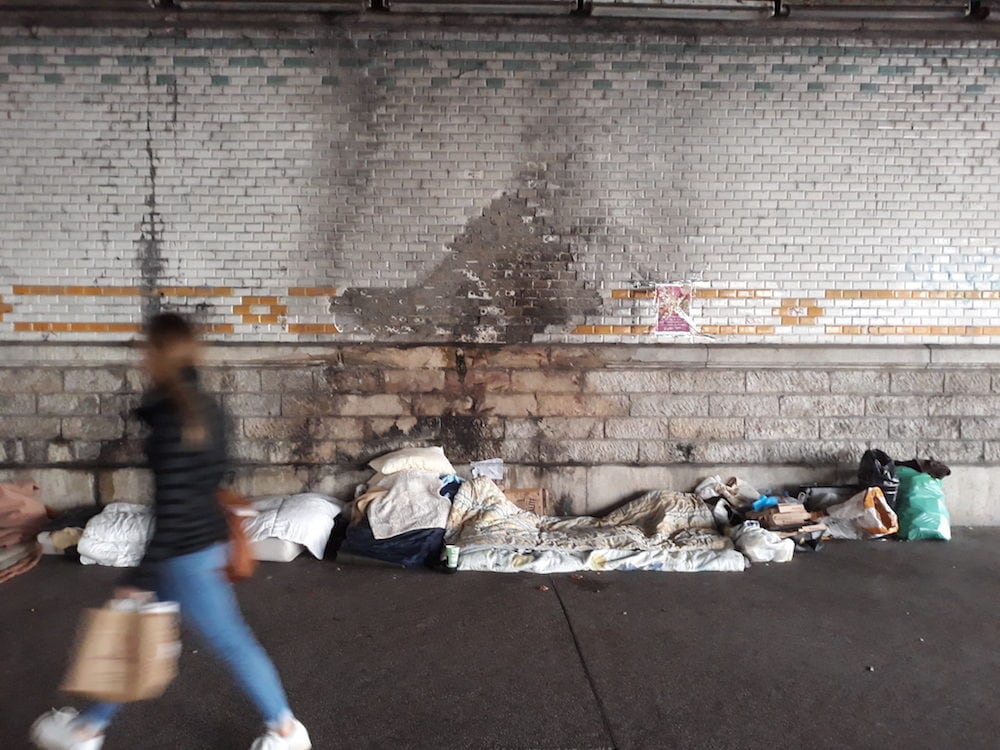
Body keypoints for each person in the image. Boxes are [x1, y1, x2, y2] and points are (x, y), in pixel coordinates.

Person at [31, 312, 311, 750]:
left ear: (158, 354)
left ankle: (286, 730)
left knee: (228, 641)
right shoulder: (207, 409)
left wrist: (139, 578)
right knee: (132, 637)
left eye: (145, 349)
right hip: (201, 545)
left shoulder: (171, 419)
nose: (141, 357)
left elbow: (173, 508)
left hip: (185, 555)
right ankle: (87, 730)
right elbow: (211, 480)